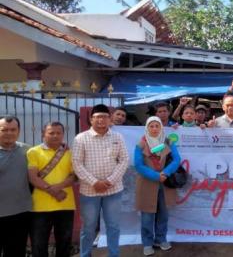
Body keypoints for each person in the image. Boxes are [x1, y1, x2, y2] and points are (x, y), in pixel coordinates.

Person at [72, 104, 129, 257]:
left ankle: (113, 254)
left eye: (104, 117)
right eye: (97, 117)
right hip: (89, 191)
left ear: (110, 119)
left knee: (113, 226)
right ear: (91, 120)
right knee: (88, 227)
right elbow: (77, 163)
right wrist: (95, 182)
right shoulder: (80, 138)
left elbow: (124, 160)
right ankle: (85, 254)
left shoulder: (118, 137)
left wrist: (110, 181)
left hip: (114, 190)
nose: (101, 120)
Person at [27, 122, 76, 257]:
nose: (55, 136)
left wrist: (59, 187)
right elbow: (33, 177)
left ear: (63, 134)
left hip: (65, 204)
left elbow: (75, 176)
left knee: (65, 243)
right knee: (38, 244)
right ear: (43, 134)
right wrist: (53, 191)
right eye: (51, 133)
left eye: (58, 133)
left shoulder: (70, 153)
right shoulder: (33, 152)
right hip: (39, 207)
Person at [134, 116, 181, 256]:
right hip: (147, 183)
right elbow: (138, 165)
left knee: (163, 214)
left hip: (165, 183)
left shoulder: (168, 141)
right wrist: (156, 176)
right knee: (147, 215)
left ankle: (161, 239)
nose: (154, 129)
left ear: (161, 127)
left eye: (157, 126)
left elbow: (177, 159)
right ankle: (147, 243)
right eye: (151, 126)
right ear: (147, 128)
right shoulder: (141, 144)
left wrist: (165, 172)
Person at [0, 115, 32, 257]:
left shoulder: (27, 150)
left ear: (18, 131)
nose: (9, 133)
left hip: (20, 213)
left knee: (16, 252)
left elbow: (46, 157)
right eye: (4, 130)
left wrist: (61, 147)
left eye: (13, 129)